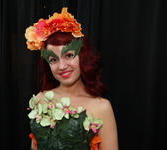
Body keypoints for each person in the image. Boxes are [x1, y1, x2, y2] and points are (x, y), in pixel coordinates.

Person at [25, 7, 118, 150]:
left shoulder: (101, 107)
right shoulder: (40, 99)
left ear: (83, 55)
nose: (62, 66)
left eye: (68, 56)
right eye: (53, 59)